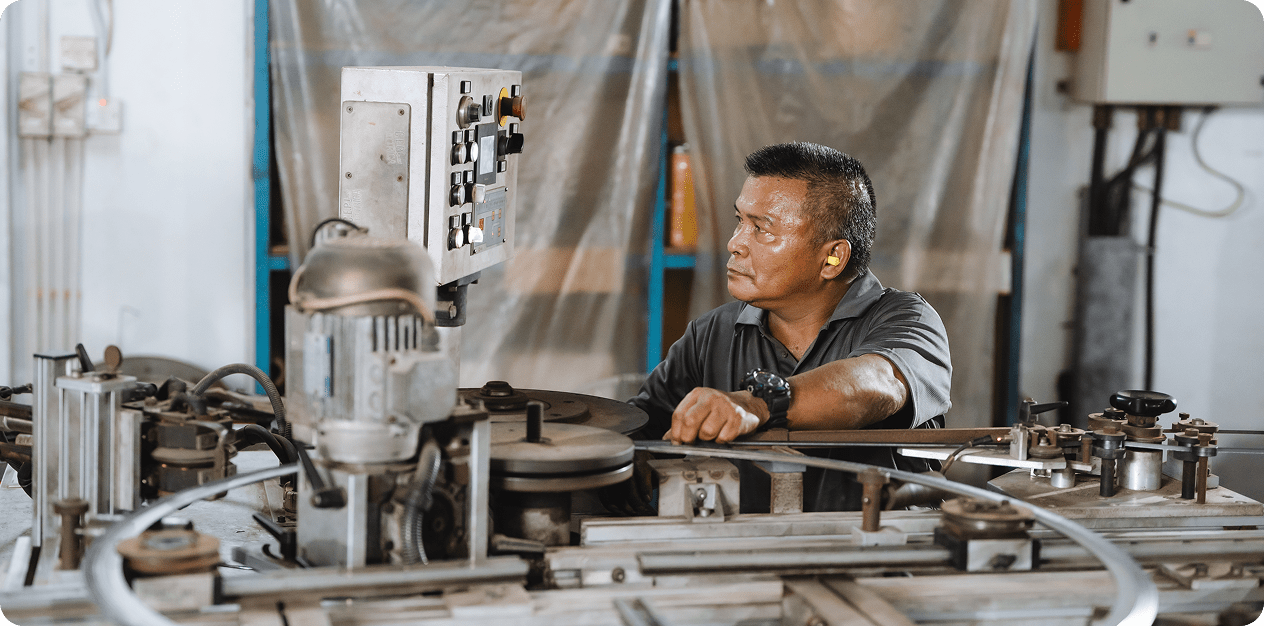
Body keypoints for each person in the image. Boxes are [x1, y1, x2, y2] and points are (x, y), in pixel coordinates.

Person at [630, 142, 952, 512]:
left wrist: (757, 404)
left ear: (833, 257)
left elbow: (877, 384)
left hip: (877, 560)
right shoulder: (712, 334)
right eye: (740, 220)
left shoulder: (907, 319)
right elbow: (640, 429)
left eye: (762, 229)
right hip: (741, 561)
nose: (735, 244)